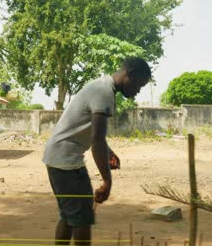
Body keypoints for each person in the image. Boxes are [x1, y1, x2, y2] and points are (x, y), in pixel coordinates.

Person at [42, 57, 151, 245]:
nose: (137, 92)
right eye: (139, 86)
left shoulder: (101, 86)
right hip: (66, 160)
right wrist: (107, 180)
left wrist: (108, 152)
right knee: (82, 219)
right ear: (130, 75)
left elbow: (95, 134)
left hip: (57, 156)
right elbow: (97, 138)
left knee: (69, 217)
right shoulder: (104, 92)